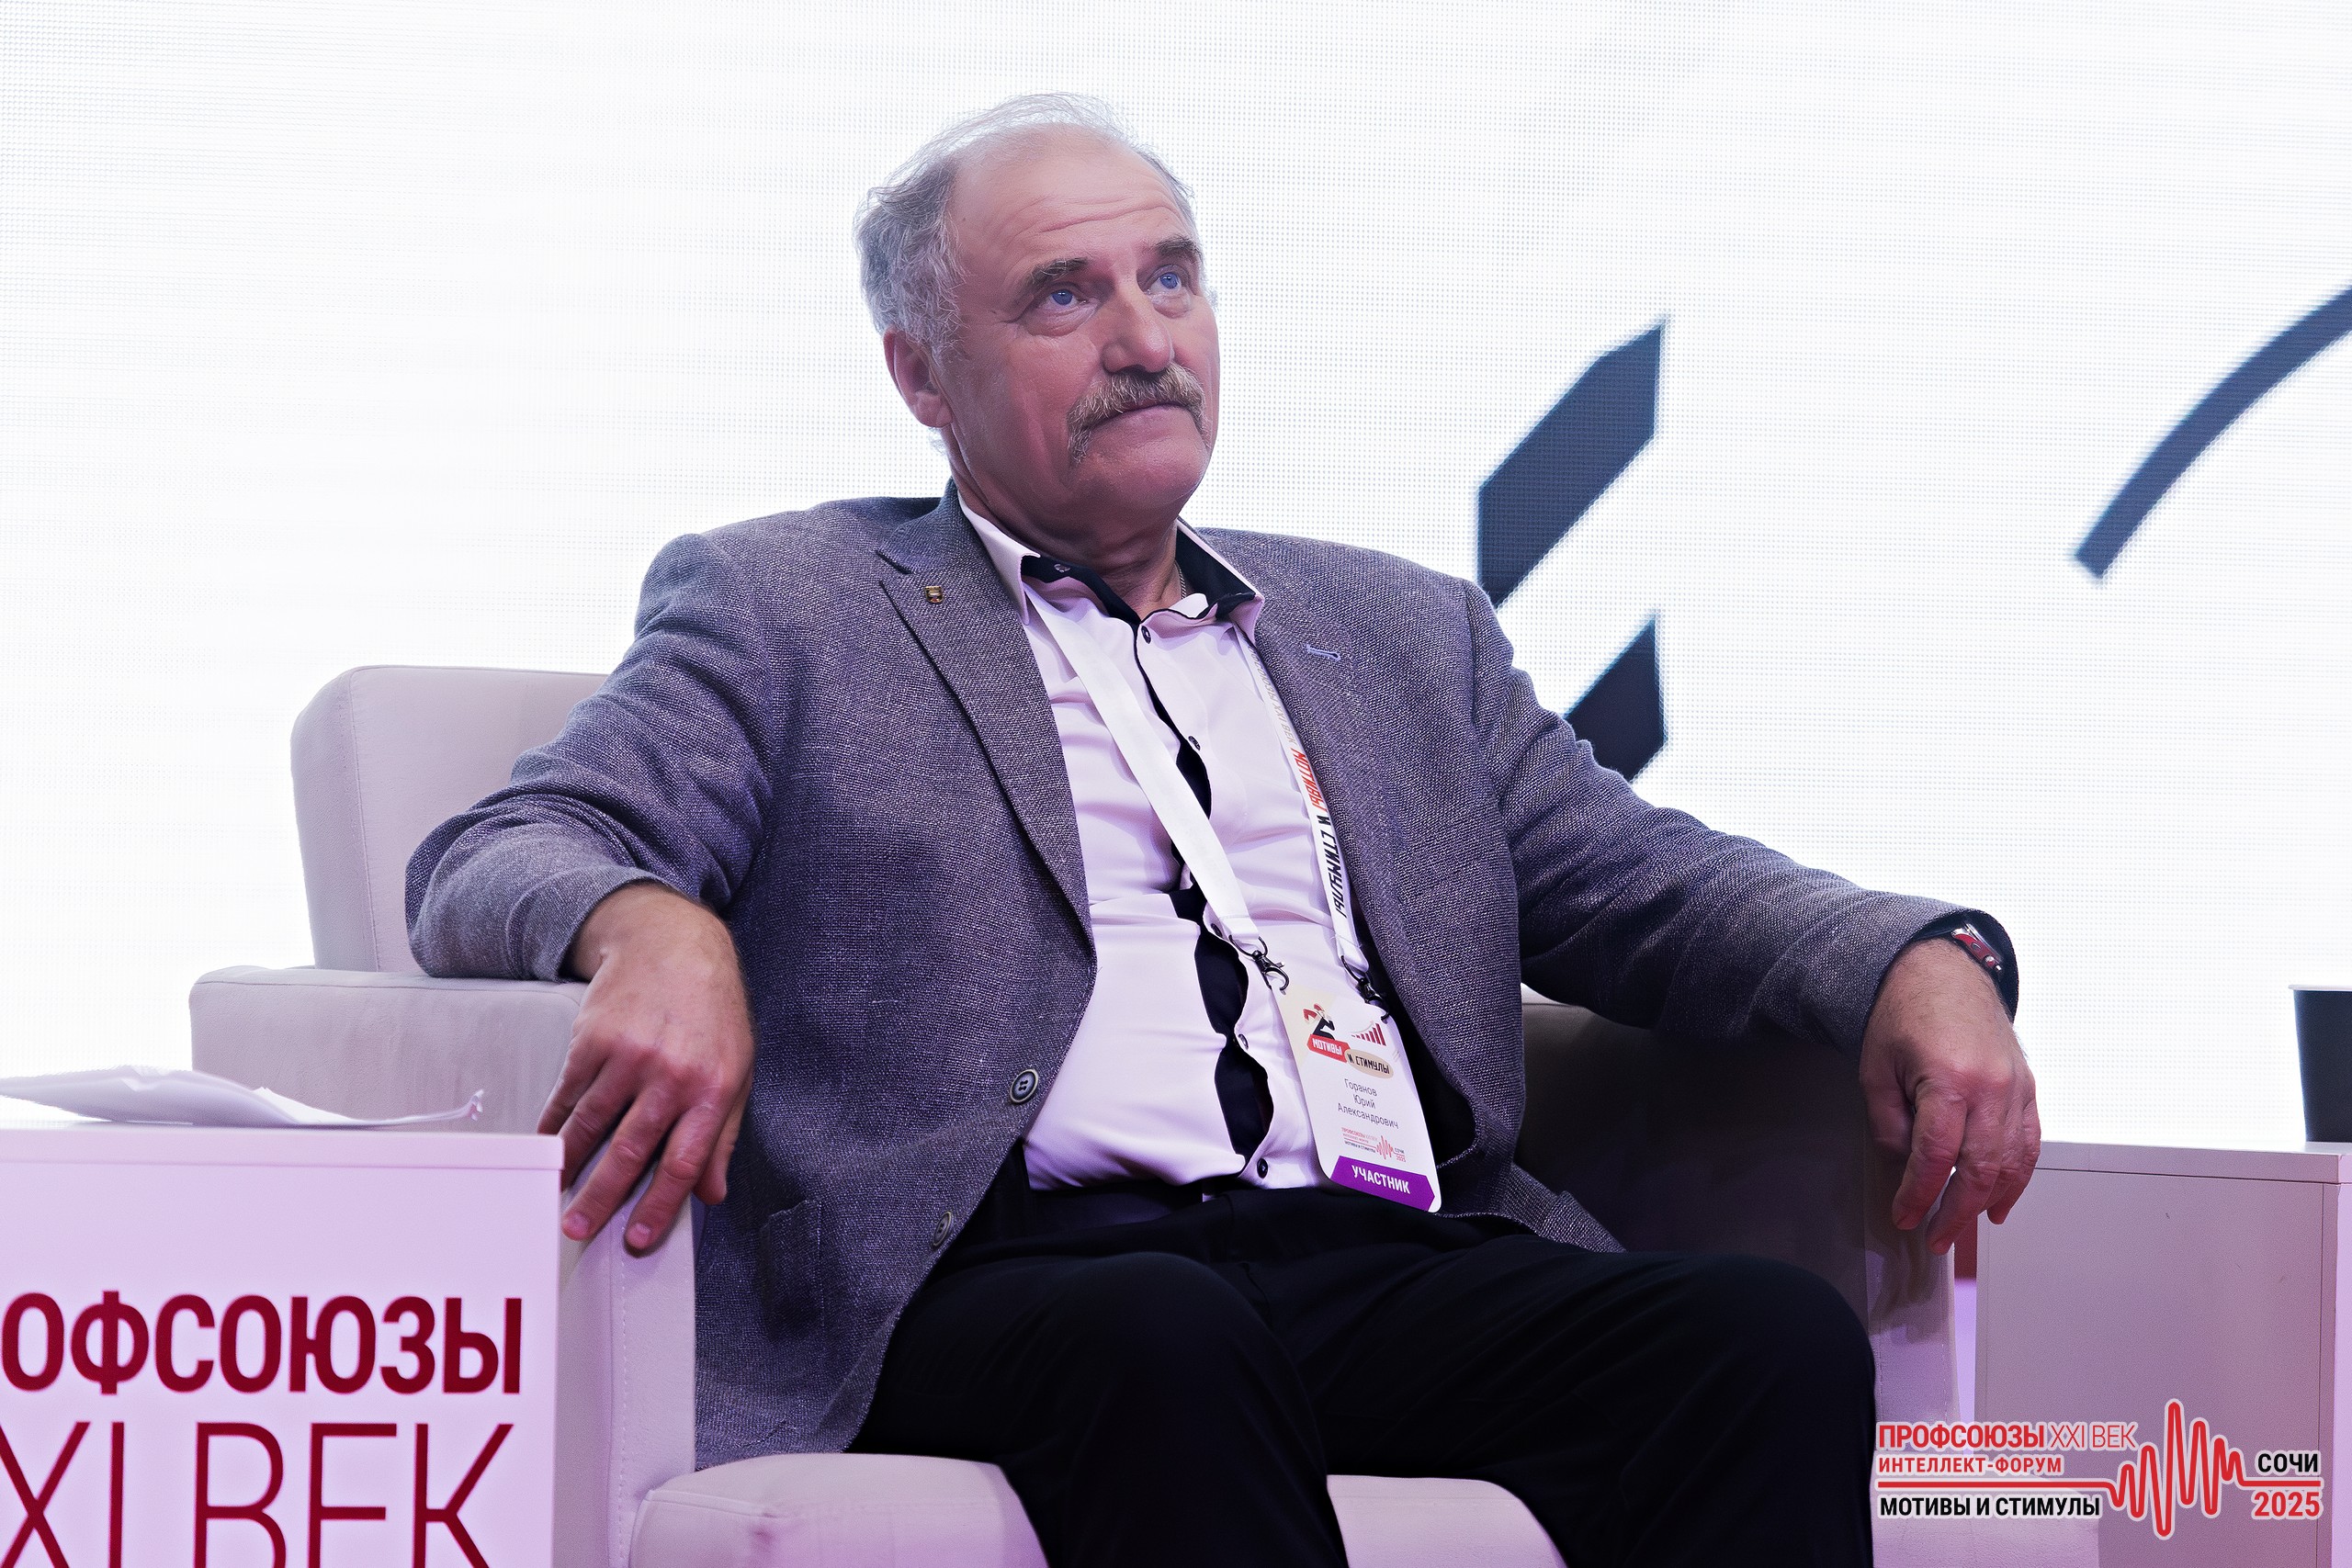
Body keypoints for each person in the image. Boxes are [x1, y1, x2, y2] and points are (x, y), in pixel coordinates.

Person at [407, 94, 2039, 1566]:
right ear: (921, 373)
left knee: (1759, 1343)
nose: (1145, 339)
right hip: (1006, 1272)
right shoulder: (794, 606)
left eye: (1171, 279)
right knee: (1164, 1333)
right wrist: (648, 923)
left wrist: (1916, 959)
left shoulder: (1400, 635)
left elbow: (1654, 888)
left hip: (1374, 1252)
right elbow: (512, 841)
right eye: (1066, 296)